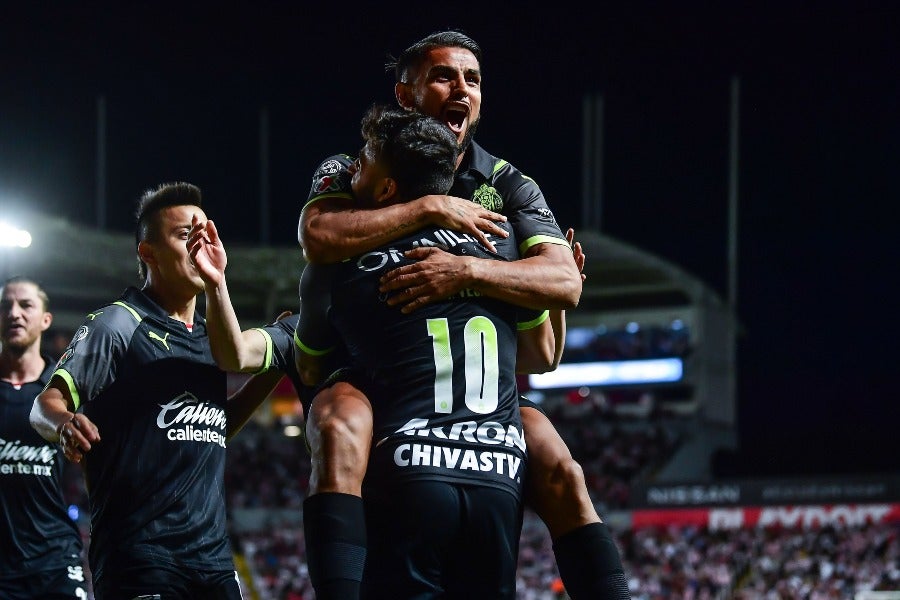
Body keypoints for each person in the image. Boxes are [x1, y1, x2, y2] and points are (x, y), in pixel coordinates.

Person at [298, 30, 629, 600]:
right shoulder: (357, 165)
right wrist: (428, 206)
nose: (462, 90)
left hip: (479, 388)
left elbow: (559, 302)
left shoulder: (508, 183)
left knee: (559, 465)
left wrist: (466, 271)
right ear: (405, 94)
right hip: (385, 374)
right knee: (340, 418)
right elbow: (319, 235)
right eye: (444, 76)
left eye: (472, 79)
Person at [29, 182, 287, 599]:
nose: (199, 244)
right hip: (141, 559)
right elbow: (45, 404)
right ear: (147, 254)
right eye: (185, 235)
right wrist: (63, 424)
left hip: (215, 565)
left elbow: (215, 425)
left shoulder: (211, 337)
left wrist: (272, 372)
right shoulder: (117, 324)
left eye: (204, 233)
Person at [1, 276, 87, 600]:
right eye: (4, 306)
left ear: (45, 319)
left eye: (25, 305)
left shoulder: (65, 393)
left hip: (55, 562)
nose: (13, 313)